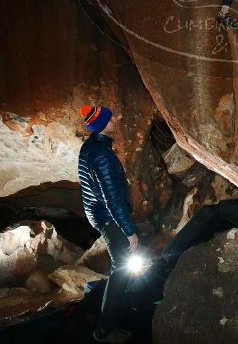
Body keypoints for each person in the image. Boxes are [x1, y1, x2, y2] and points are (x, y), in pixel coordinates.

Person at [78, 104, 139, 343]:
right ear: (102, 125)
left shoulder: (92, 146)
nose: (114, 121)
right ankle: (103, 331)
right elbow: (111, 198)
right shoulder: (102, 154)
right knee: (122, 268)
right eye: (110, 119)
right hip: (107, 217)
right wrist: (129, 231)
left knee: (124, 267)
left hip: (100, 214)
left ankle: (116, 315)